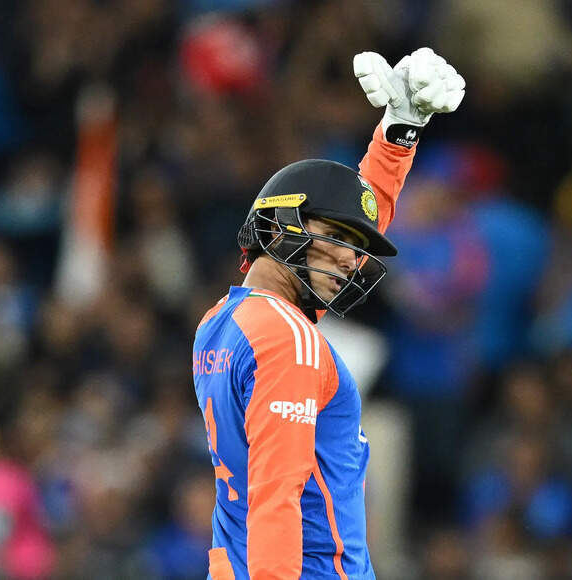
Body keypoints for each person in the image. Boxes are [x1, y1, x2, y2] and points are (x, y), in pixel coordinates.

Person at [192, 48, 465, 579]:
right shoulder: (287, 338)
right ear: (281, 227)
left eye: (356, 246)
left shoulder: (224, 322)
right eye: (337, 237)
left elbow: (351, 219)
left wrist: (397, 135)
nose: (350, 259)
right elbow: (278, 493)